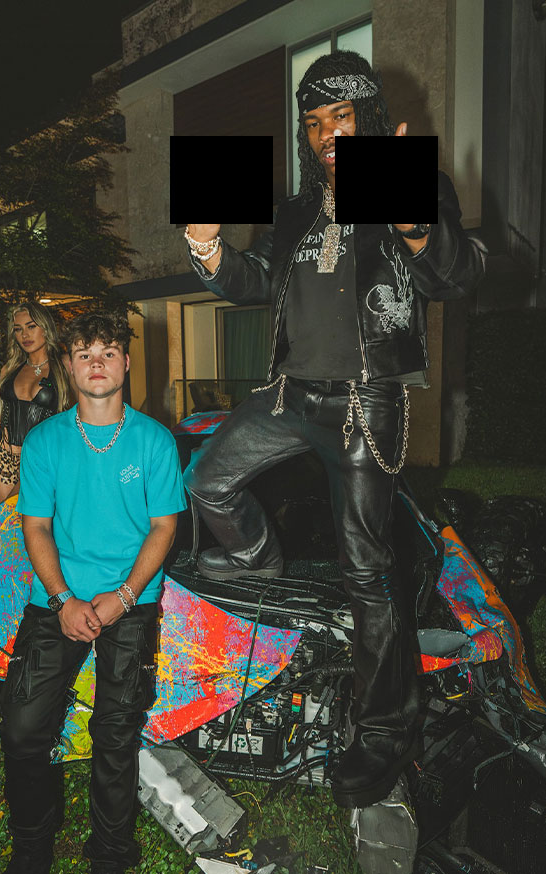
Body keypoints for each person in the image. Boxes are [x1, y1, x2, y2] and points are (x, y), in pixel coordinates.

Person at [183, 50, 486, 809]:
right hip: (289, 396)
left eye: (340, 118)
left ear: (369, 120)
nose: (325, 133)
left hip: (363, 405)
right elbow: (257, 282)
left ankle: (387, 727)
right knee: (207, 482)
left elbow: (461, 270)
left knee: (366, 569)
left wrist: (413, 218)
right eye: (314, 122)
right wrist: (209, 247)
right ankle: (257, 560)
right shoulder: (292, 208)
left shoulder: (405, 187)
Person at [0, 311, 187, 874]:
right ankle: (33, 844)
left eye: (108, 351)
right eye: (84, 354)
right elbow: (34, 525)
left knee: (115, 729)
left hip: (131, 600)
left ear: (126, 362)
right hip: (56, 600)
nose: (97, 362)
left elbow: (164, 527)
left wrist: (123, 597)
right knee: (23, 726)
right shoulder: (46, 440)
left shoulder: (154, 440)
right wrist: (63, 600)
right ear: (69, 366)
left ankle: (110, 850)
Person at [0, 301, 71, 504]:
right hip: (4, 458)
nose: (25, 335)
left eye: (31, 326)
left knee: (34, 523)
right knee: (6, 525)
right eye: (18, 329)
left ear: (45, 327)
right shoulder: (10, 369)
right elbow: (0, 422)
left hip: (41, 459)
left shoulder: (64, 366)